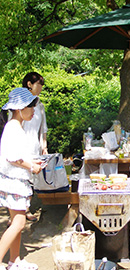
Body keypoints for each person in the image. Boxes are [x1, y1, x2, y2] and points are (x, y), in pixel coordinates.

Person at [0, 87, 43, 270]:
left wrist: (33, 161)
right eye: (30, 107)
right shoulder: (13, 128)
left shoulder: (16, 126)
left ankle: (14, 261)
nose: (33, 111)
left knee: (16, 223)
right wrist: (32, 166)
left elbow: (18, 156)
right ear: (19, 109)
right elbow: (13, 157)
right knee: (18, 223)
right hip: (14, 181)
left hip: (14, 180)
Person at [22, 72, 48, 222]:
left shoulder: (40, 105)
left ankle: (26, 208)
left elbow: (43, 128)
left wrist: (44, 145)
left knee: (31, 177)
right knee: (21, 176)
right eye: (39, 85)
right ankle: (19, 211)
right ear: (29, 84)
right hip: (22, 144)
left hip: (34, 146)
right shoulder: (20, 103)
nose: (41, 88)